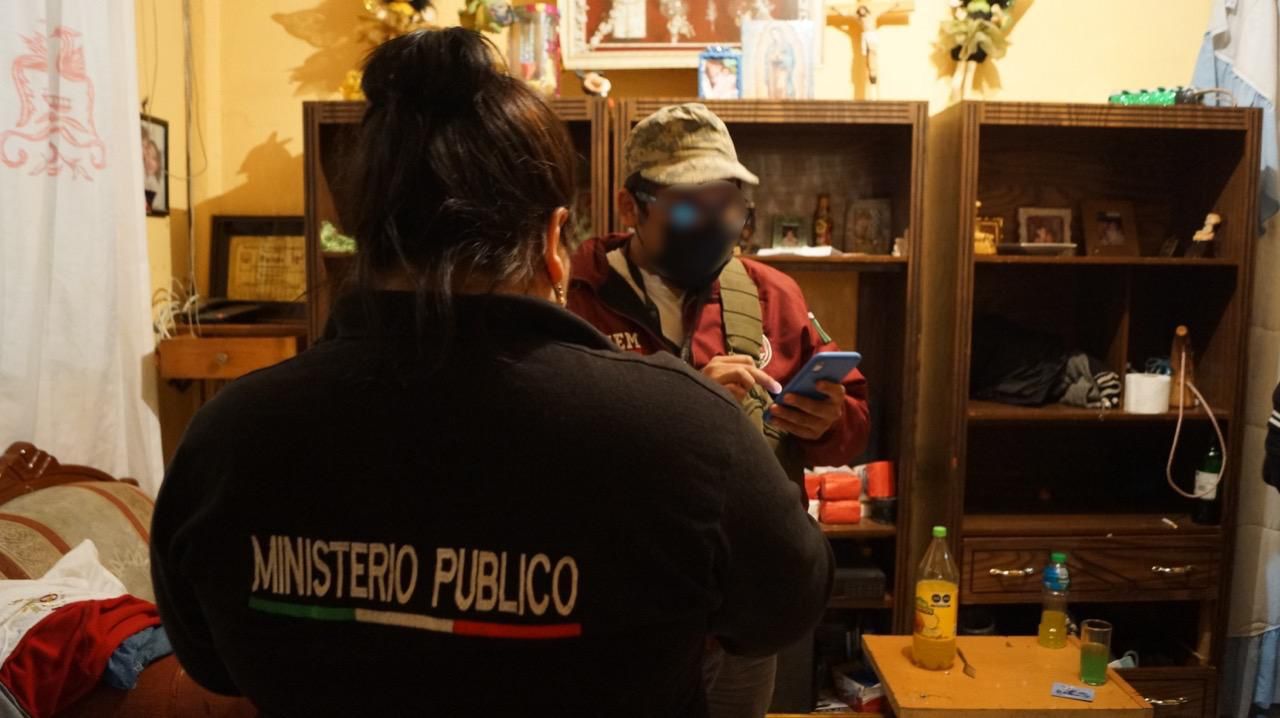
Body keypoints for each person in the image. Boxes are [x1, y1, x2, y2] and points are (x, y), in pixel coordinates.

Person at [150, 31, 831, 718]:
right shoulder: (691, 431)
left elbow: (210, 658)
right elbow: (782, 608)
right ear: (553, 243)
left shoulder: (227, 438)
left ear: (360, 235)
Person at [568, 102, 870, 718]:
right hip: (620, 614)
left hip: (741, 616)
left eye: (729, 207)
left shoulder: (771, 293)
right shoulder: (575, 295)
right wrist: (689, 400)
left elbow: (852, 427)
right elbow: (552, 448)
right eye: (687, 208)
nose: (713, 225)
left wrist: (829, 421)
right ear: (629, 207)